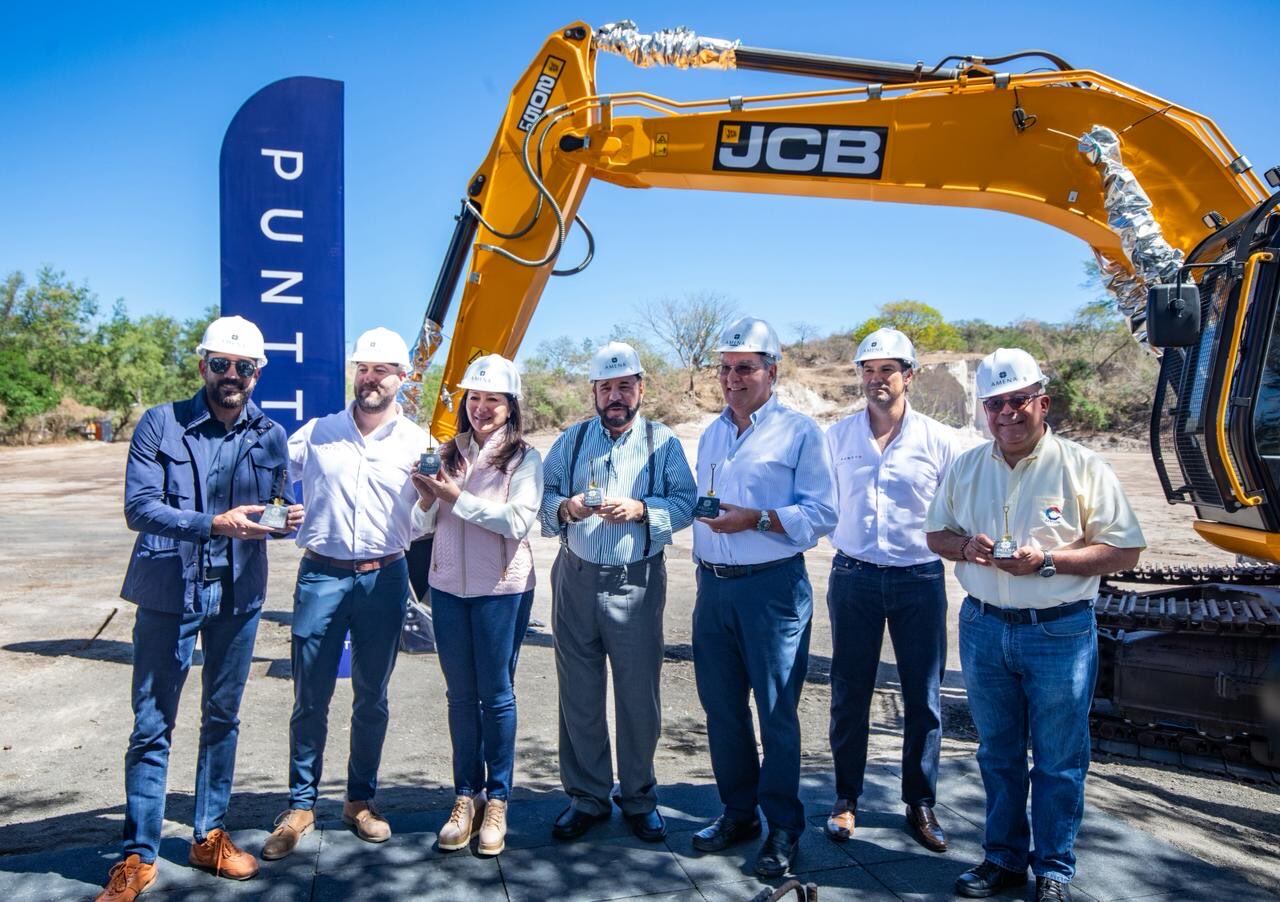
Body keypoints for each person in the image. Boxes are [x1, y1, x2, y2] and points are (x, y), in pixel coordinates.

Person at [925, 348, 1145, 902]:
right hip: (983, 627)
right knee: (997, 753)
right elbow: (936, 535)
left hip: (1059, 633)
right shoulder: (967, 466)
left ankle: (1053, 869)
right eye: (995, 404)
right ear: (983, 410)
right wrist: (965, 547)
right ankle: (1002, 859)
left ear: (1042, 402)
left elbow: (1124, 550)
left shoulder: (1083, 466)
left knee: (1059, 761)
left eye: (1018, 400)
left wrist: (1048, 561)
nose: (1007, 413)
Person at [100, 316, 301, 902]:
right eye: (220, 364)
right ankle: (138, 856)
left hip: (239, 595)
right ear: (202, 366)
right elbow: (140, 508)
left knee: (222, 718)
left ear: (257, 373)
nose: (231, 375)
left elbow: (276, 508)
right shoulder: (160, 423)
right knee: (152, 724)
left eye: (243, 367)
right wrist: (213, 523)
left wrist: (284, 521)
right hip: (170, 592)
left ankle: (208, 835)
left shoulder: (270, 435)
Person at [262, 327, 428, 859]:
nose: (371, 378)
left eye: (382, 370)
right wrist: (275, 513)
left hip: (386, 577)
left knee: (372, 696)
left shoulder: (418, 443)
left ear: (403, 378)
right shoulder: (317, 433)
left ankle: (360, 801)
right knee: (310, 695)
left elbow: (432, 511)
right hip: (321, 575)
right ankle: (300, 805)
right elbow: (269, 475)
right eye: (364, 368)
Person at [690, 316, 837, 878]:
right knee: (722, 709)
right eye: (725, 368)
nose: (733, 378)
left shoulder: (800, 432)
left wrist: (758, 518)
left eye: (746, 367)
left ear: (772, 371)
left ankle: (783, 828)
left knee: (776, 714)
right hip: (713, 588)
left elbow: (822, 513)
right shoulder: (712, 433)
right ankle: (738, 813)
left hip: (771, 589)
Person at [539, 341, 696, 843]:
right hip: (576, 577)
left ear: (641, 389)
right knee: (579, 695)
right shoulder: (570, 440)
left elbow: (686, 501)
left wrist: (642, 510)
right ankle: (587, 798)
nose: (615, 396)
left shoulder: (662, 441)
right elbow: (544, 497)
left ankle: (639, 798)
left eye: (624, 386)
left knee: (637, 697)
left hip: (636, 580)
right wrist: (568, 509)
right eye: (606, 387)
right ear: (594, 392)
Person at [823, 328, 961, 852]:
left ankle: (920, 802)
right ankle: (846, 798)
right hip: (853, 577)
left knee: (923, 696)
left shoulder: (940, 441)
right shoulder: (837, 438)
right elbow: (823, 503)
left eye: (887, 370)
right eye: (868, 370)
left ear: (910, 375)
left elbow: (956, 509)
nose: (876, 379)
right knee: (849, 692)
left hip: (919, 579)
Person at [412, 354, 540, 856]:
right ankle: (466, 796)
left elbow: (518, 521)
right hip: (448, 588)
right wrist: (426, 499)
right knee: (460, 697)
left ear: (511, 406)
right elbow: (420, 526)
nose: (482, 407)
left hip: (502, 590)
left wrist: (455, 497)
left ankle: (498, 800)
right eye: (475, 398)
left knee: (497, 695)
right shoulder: (447, 453)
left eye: (493, 399)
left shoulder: (524, 458)